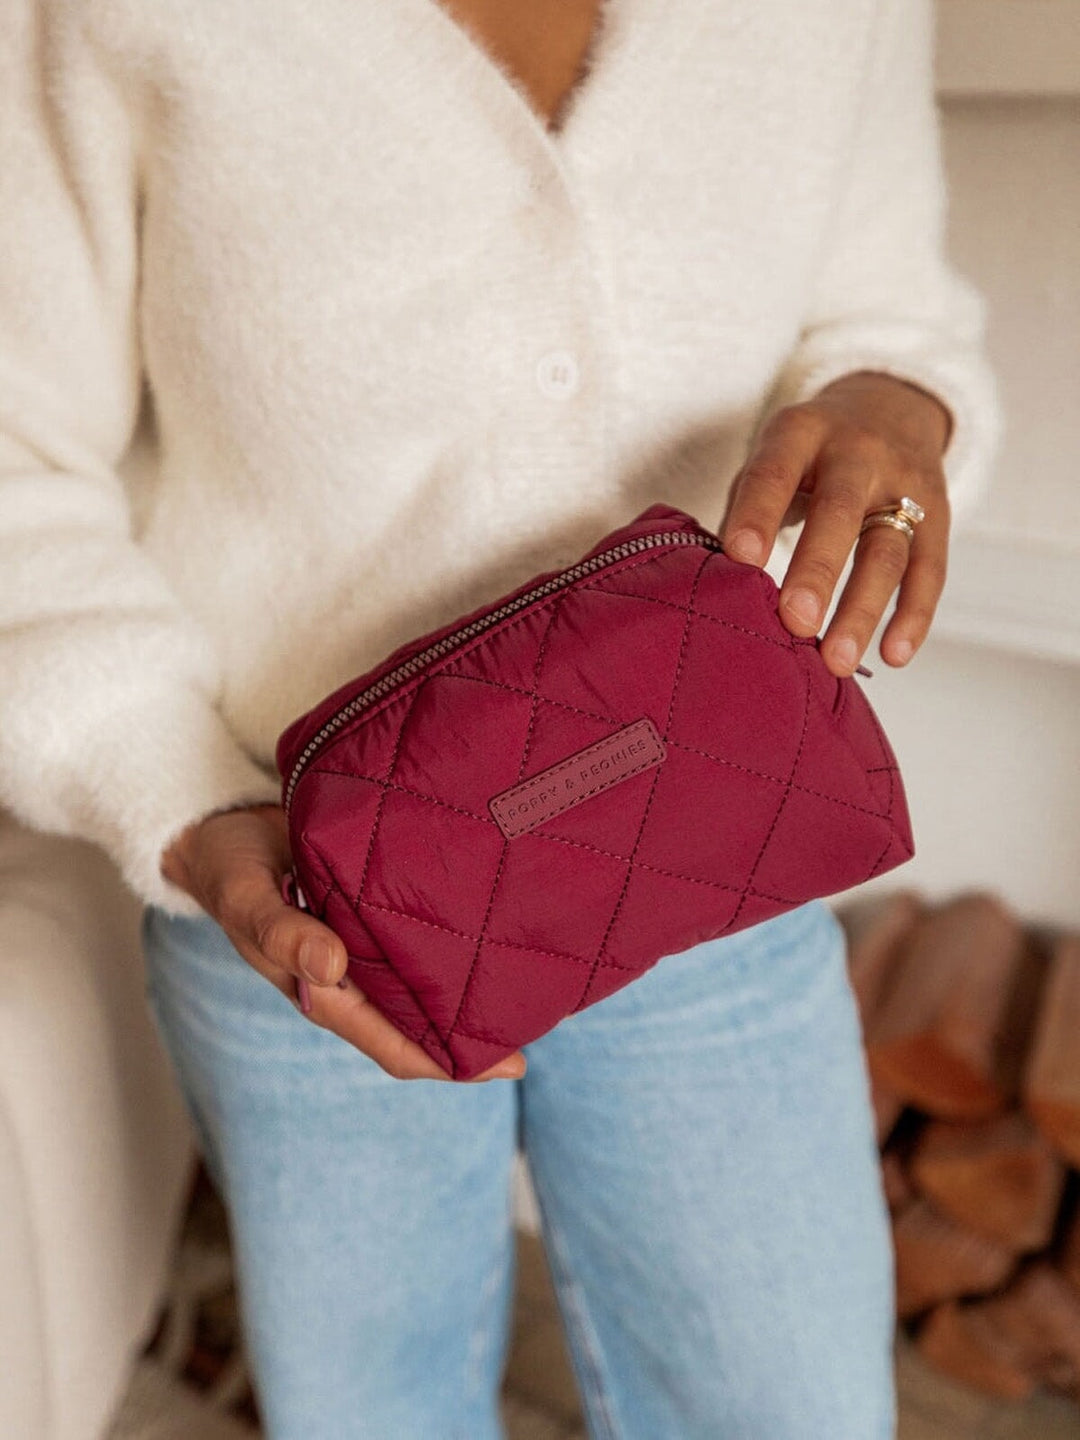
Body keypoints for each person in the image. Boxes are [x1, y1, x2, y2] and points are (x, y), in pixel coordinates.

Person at [0, 0, 997, 1435]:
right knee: (370, 1412)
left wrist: (898, 405)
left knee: (795, 1406)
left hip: (714, 850)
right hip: (302, 897)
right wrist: (175, 797)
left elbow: (889, 309)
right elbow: (22, 455)